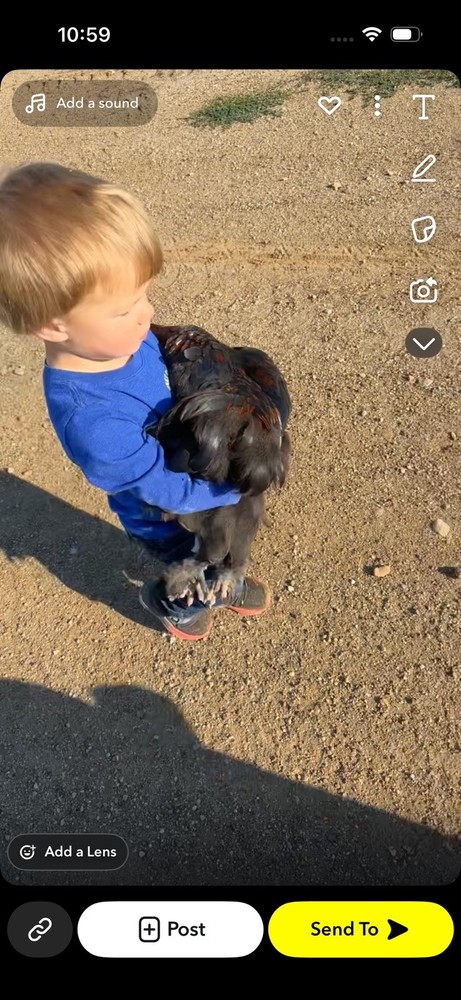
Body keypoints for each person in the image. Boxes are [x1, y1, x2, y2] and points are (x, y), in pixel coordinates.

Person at [0, 161, 270, 640]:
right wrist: (228, 491)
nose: (148, 313)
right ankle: (182, 600)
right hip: (163, 509)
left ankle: (221, 574)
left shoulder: (121, 339)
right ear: (54, 326)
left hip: (187, 466)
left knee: (221, 541)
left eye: (145, 294)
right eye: (125, 308)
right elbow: (160, 487)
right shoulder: (92, 419)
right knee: (188, 555)